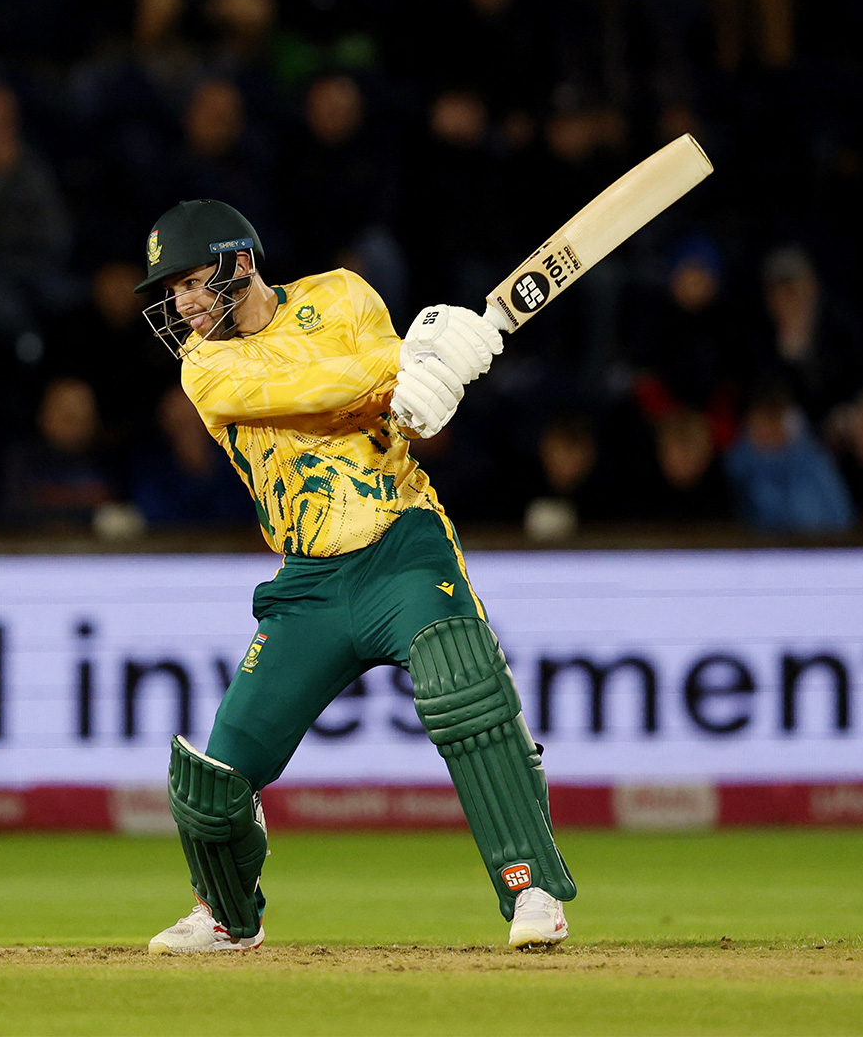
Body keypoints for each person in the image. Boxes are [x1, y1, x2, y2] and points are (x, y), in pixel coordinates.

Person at [135, 199, 574, 954]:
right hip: (308, 581)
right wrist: (417, 357)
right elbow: (319, 390)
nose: (181, 304)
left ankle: (530, 887)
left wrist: (429, 384)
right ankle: (226, 917)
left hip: (402, 542)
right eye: (171, 291)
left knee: (459, 686)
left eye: (190, 282)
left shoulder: (342, 293)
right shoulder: (205, 366)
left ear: (239, 262)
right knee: (213, 782)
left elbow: (395, 410)